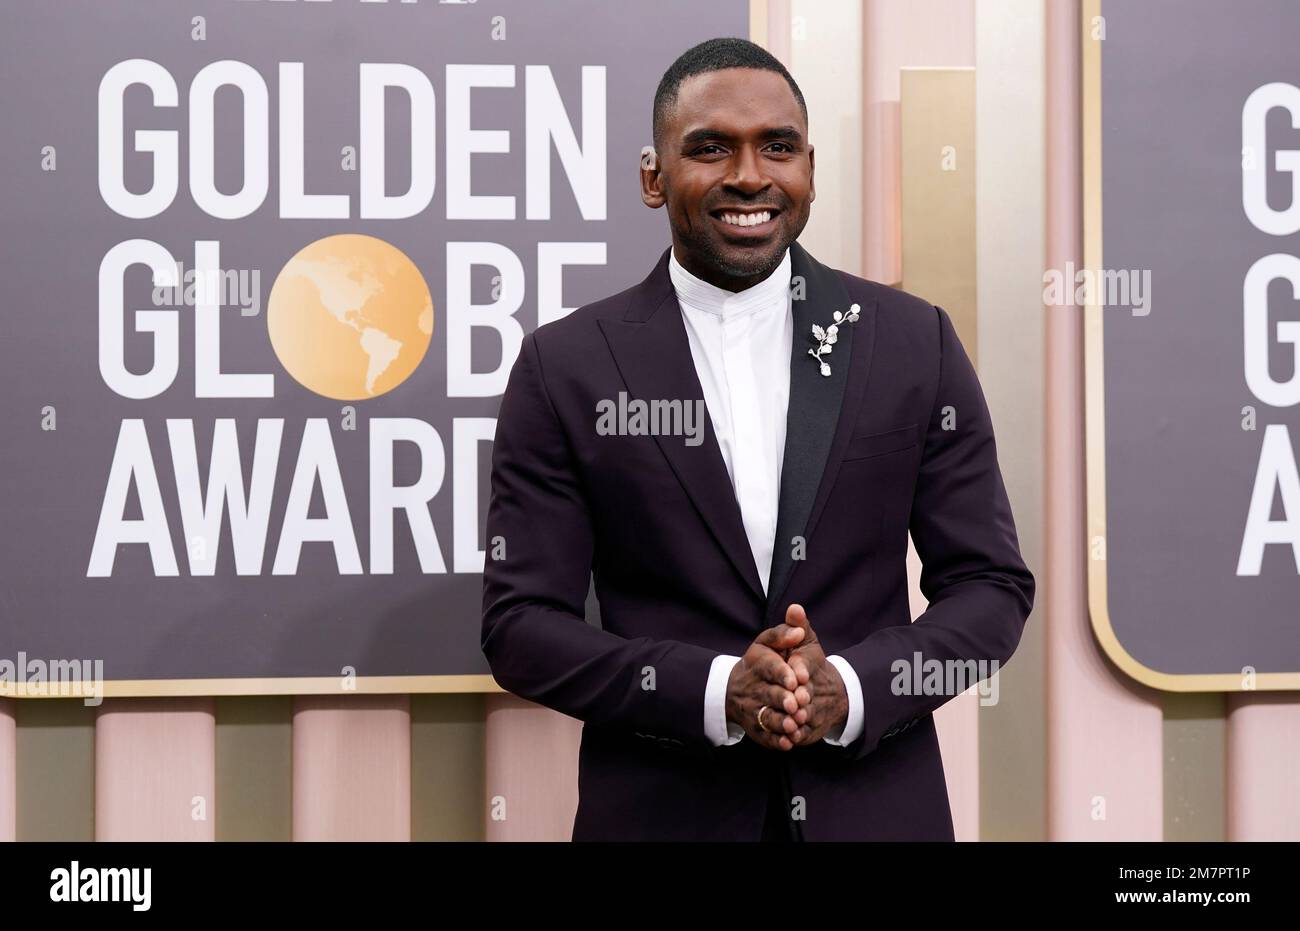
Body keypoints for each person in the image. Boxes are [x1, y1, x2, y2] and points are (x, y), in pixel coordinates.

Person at [480, 37, 1034, 841]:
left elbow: (991, 588)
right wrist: (714, 691)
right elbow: (521, 624)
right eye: (710, 148)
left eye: (777, 147)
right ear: (653, 175)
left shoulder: (913, 341)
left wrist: (852, 685)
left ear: (810, 167)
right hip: (661, 816)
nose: (749, 176)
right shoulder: (565, 366)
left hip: (879, 814)